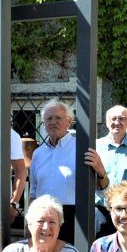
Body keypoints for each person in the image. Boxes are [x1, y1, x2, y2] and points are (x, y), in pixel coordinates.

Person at [85, 104, 127, 239]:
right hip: (102, 211)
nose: (117, 122)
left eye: (122, 119)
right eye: (113, 119)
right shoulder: (95, 146)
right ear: (107, 122)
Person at [29, 99, 79, 242]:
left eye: (58, 118)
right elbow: (33, 190)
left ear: (69, 122)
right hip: (42, 217)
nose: (53, 122)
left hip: (72, 217)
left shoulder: (80, 148)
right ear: (44, 124)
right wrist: (30, 219)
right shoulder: (38, 153)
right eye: (49, 119)